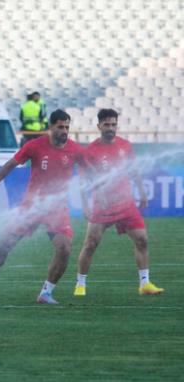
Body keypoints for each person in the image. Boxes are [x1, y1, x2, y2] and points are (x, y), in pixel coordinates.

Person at [0, 109, 83, 305]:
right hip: (31, 205)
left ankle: (46, 293)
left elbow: (93, 169)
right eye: (60, 127)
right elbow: (9, 166)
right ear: (51, 127)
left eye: (67, 127)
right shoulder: (34, 146)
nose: (64, 131)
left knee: (64, 248)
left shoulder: (74, 149)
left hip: (57, 208)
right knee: (4, 245)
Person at [74, 108, 163, 296]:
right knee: (90, 244)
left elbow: (133, 170)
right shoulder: (89, 151)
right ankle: (80, 284)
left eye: (113, 124)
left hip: (126, 203)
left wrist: (141, 192)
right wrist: (85, 204)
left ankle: (145, 284)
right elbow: (83, 181)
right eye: (106, 124)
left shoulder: (126, 146)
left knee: (142, 239)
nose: (111, 128)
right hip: (103, 205)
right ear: (98, 126)